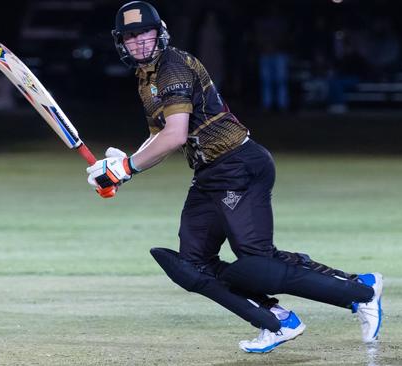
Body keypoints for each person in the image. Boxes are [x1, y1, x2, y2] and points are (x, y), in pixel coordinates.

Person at [86, 1, 383, 353]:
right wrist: (121, 168)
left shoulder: (173, 68)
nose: (138, 43)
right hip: (210, 173)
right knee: (194, 264)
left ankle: (361, 292)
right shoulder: (146, 78)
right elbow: (159, 136)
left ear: (159, 32)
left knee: (257, 262)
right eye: (130, 38)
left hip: (238, 164)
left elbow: (176, 135)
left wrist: (129, 167)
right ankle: (276, 320)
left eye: (143, 34)